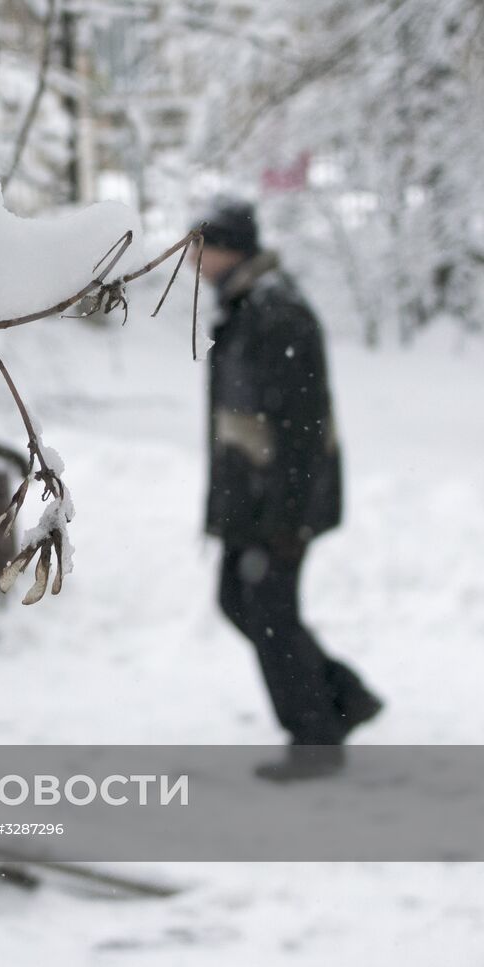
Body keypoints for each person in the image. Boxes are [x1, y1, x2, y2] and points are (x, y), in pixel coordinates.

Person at [196, 197, 382, 782]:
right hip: (253, 497)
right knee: (240, 600)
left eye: (204, 245)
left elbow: (303, 431)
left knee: (268, 609)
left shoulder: (276, 311)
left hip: (278, 503)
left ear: (233, 248)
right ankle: (342, 696)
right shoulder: (248, 303)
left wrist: (287, 521)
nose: (196, 258)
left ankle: (316, 737)